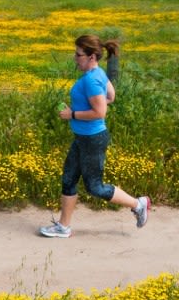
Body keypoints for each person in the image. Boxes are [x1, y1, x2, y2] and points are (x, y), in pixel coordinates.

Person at [39, 35, 150, 238]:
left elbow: (100, 112)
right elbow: (111, 96)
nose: (75, 58)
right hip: (84, 137)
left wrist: (72, 114)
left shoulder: (91, 79)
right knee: (69, 179)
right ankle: (63, 226)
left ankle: (138, 204)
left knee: (95, 187)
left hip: (92, 139)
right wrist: (85, 107)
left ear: (91, 56)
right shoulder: (98, 73)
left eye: (78, 54)